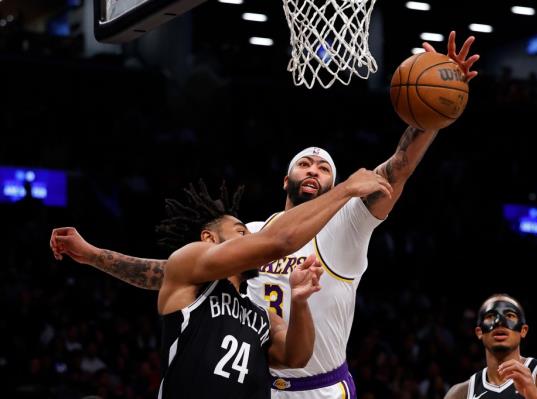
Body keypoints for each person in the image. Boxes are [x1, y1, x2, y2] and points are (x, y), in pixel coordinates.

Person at [50, 31, 479, 399]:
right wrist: (96, 256)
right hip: (255, 385)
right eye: (304, 164)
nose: (313, 170)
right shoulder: (251, 234)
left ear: (335, 184)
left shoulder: (349, 221)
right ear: (285, 179)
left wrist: (434, 114)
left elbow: (399, 167)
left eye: (324, 167)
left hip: (321, 387)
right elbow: (170, 272)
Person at [51, 172, 392, 398]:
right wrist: (346, 189)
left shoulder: (259, 313)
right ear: (209, 238)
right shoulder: (191, 269)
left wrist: (300, 302)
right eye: (242, 232)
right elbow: (280, 240)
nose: (252, 238)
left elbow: (297, 355)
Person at [444, 294, 537, 399]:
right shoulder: (460, 394)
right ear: (479, 332)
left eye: (509, 316)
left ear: (523, 330)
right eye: (490, 316)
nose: (500, 323)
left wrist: (533, 395)